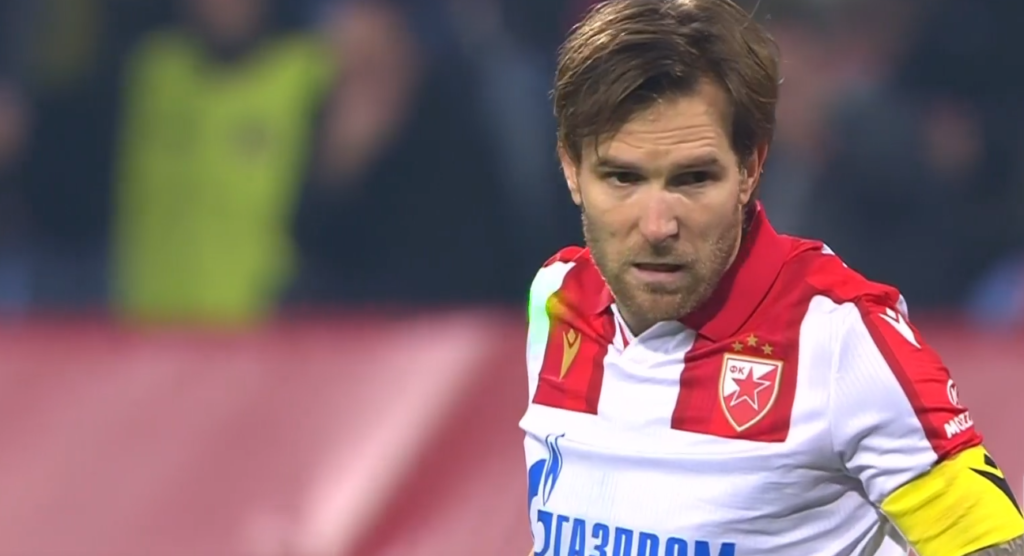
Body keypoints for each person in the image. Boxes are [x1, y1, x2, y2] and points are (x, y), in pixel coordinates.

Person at [520, 1, 1024, 555]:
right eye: (622, 178)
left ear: (750, 169)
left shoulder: (840, 337)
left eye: (693, 179)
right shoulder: (557, 295)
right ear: (571, 169)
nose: (658, 225)